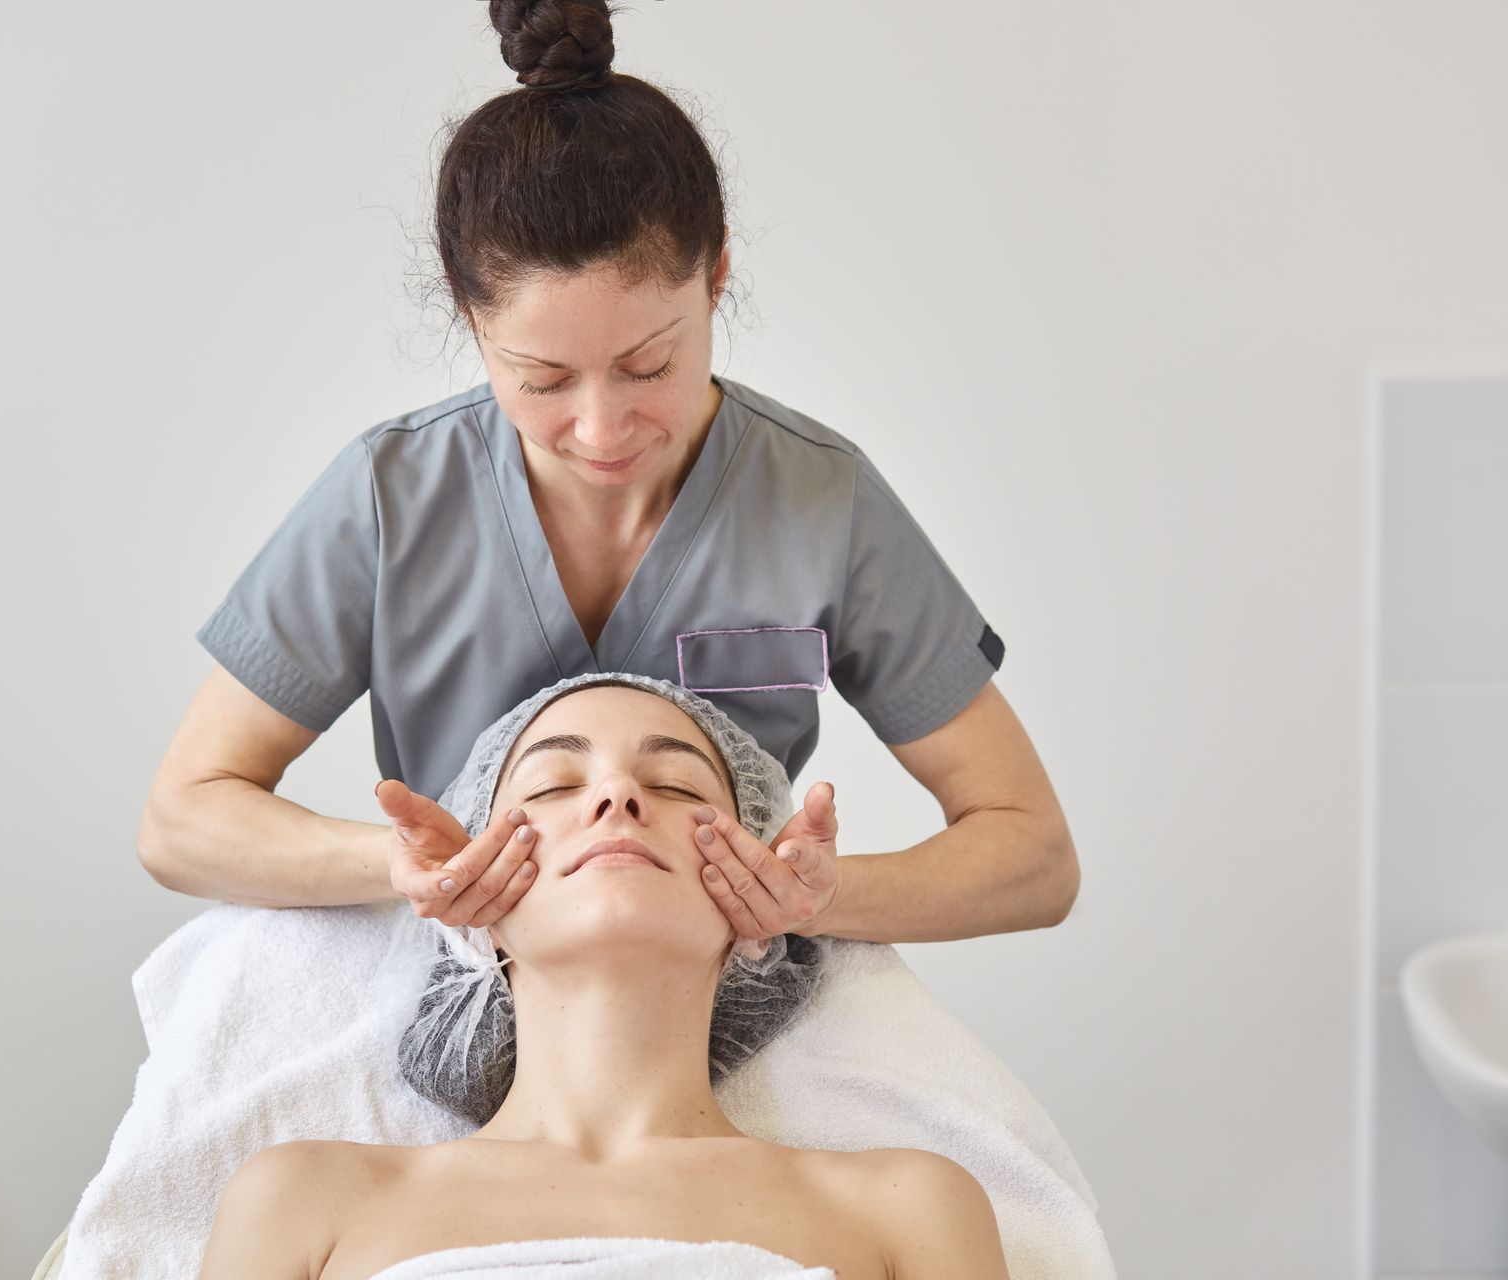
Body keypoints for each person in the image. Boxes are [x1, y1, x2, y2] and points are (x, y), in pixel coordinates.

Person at [139, 0, 1078, 948]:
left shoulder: (821, 504)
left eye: (648, 366)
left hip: (710, 1001)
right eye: (541, 380)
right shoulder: (392, 499)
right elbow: (182, 821)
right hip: (472, 983)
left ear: (715, 280)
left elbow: (1034, 855)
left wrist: (818, 900)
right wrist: (398, 866)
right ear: (472, 324)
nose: (599, 429)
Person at [195, 678, 1011, 1280]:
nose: (618, 794)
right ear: (473, 910)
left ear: (756, 916)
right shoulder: (301, 1201)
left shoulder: (909, 1208)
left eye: (679, 786)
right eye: (553, 786)